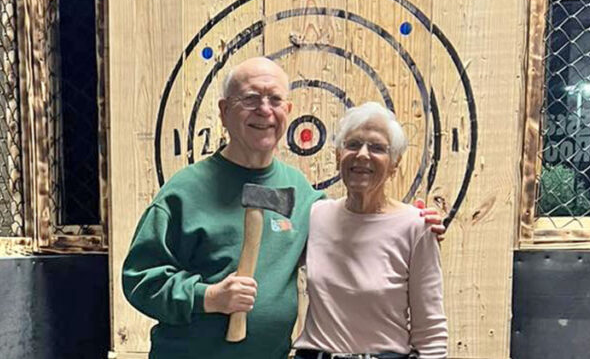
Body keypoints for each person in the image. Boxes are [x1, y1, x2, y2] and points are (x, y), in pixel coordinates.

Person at [122, 57, 444, 359]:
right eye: (250, 99)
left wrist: (414, 222)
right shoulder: (184, 192)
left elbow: (358, 228)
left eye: (275, 100)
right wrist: (207, 297)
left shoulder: (302, 195)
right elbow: (138, 280)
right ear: (223, 111)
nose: (264, 110)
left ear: (287, 110)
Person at [293, 102, 448, 359]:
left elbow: (431, 333)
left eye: (377, 148)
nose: (362, 154)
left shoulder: (416, 226)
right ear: (337, 156)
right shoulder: (315, 215)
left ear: (394, 164)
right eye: (352, 145)